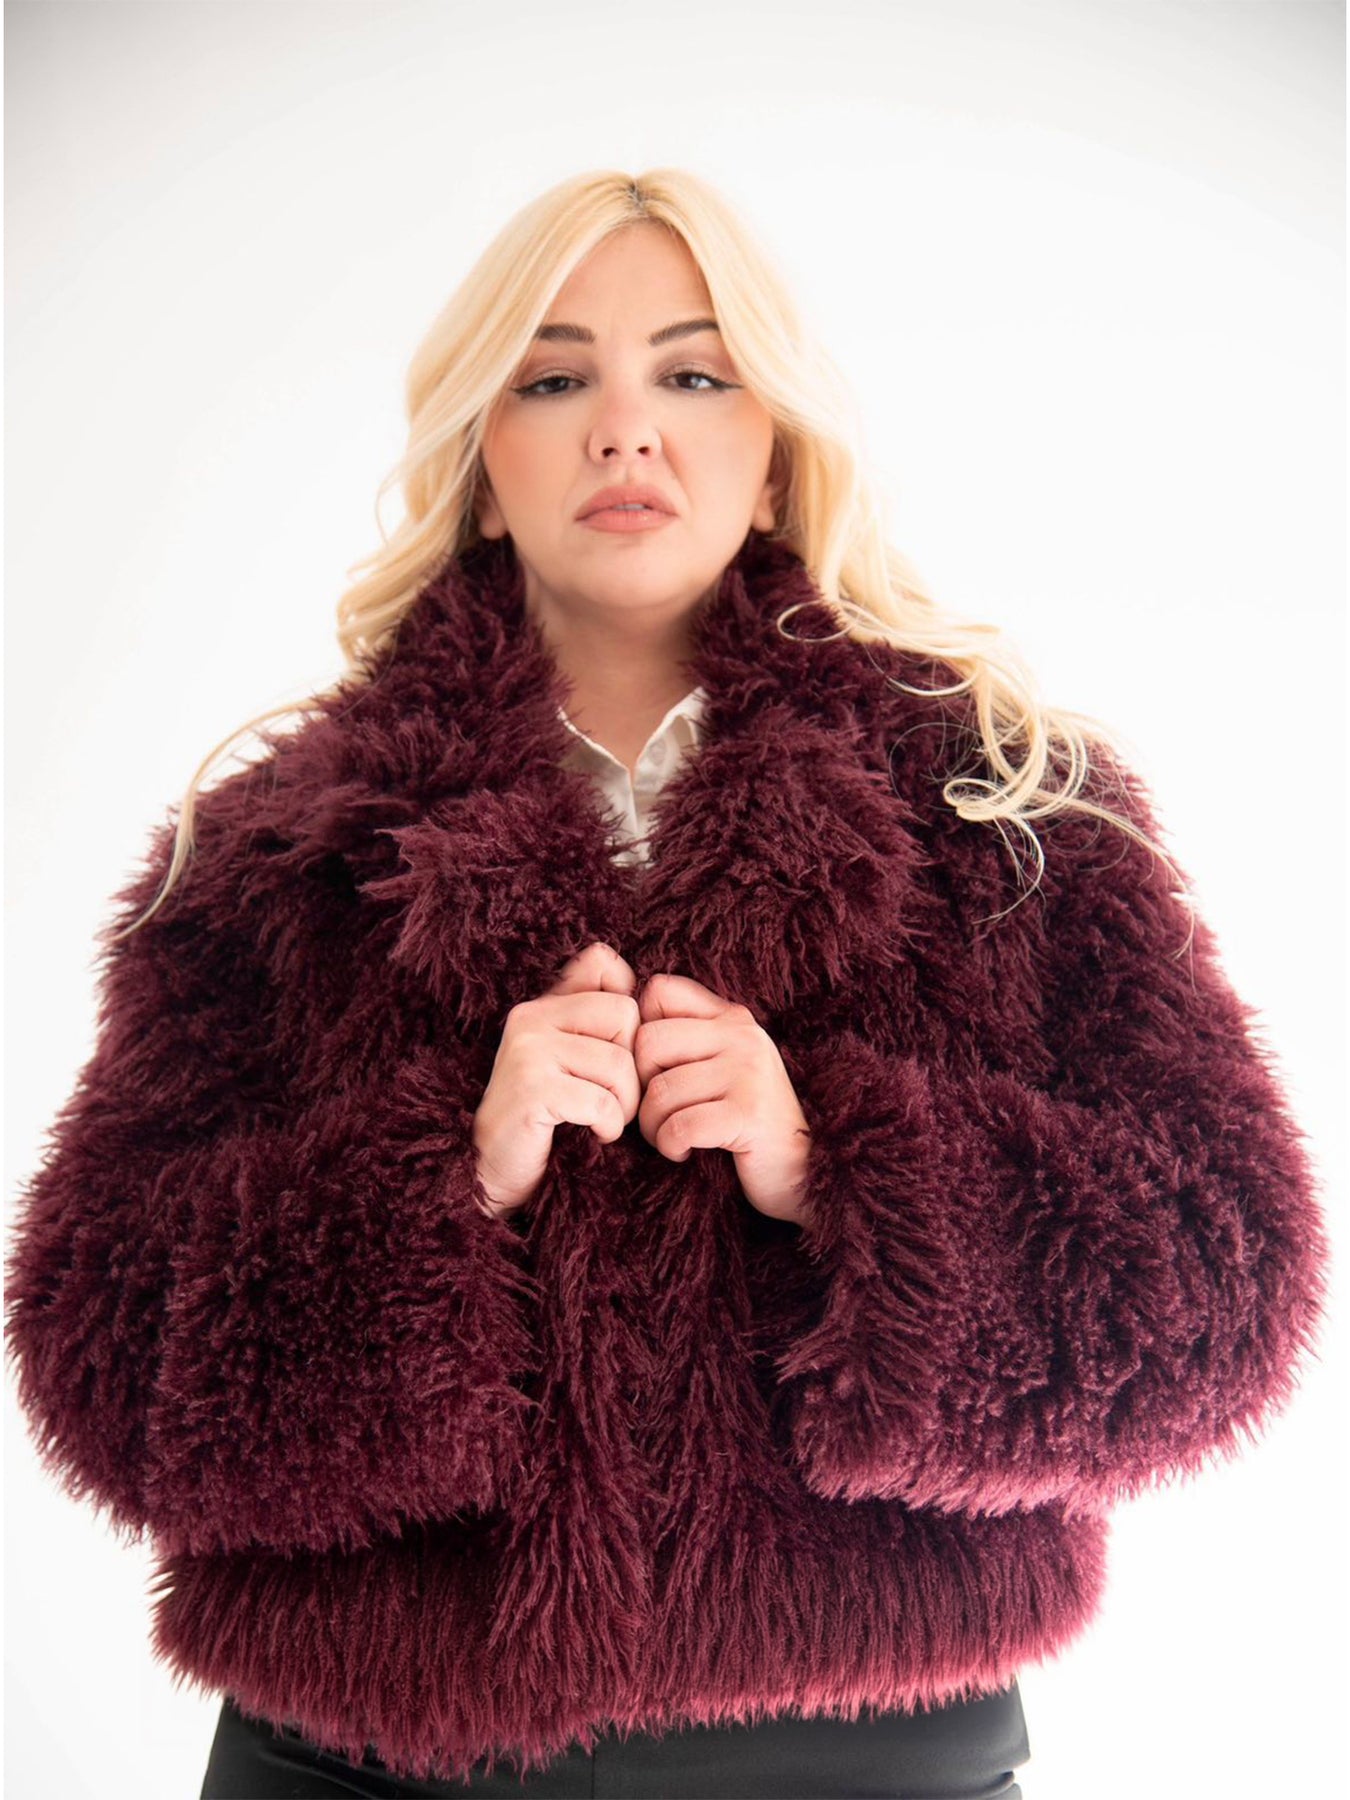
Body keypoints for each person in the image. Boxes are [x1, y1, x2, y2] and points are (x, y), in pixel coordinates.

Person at [4, 169, 1330, 1800]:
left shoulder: (1004, 809)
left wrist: (838, 1164)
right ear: (481, 466)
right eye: (553, 379)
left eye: (693, 373)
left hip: (863, 1757)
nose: (625, 430)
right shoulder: (273, 851)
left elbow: (1225, 1279)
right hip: (365, 1761)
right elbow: (98, 1355)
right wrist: (442, 1177)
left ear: (772, 444)